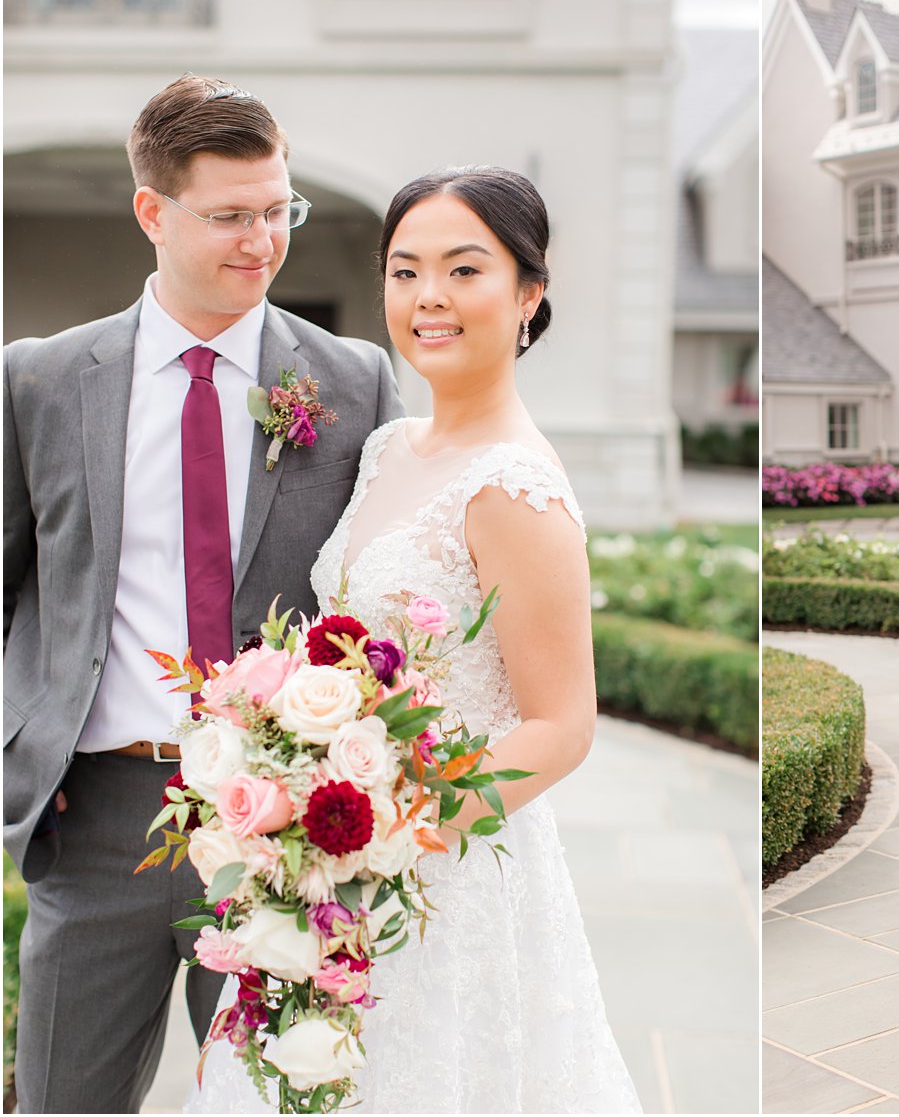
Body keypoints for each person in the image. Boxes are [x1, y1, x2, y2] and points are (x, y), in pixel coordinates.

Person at [188, 166, 642, 1113]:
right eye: (404, 271)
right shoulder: (392, 447)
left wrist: (387, 834)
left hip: (445, 880)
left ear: (528, 293)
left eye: (463, 270)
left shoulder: (516, 486)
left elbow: (561, 726)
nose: (428, 297)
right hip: (333, 869)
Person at [2, 75, 404, 1112]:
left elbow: (385, 603)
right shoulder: (39, 382)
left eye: (278, 210)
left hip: (287, 834)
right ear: (153, 212)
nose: (262, 241)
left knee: (281, 1101)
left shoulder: (354, 383)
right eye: (229, 215)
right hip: (98, 820)